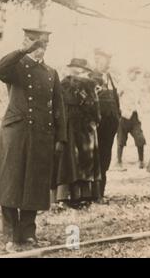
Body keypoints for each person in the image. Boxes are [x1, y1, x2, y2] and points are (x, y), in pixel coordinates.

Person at [0, 28, 67, 252]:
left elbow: (59, 107)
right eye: (36, 45)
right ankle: (9, 233)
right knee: (11, 182)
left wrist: (61, 138)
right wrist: (21, 51)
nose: (40, 49)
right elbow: (0, 68)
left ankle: (28, 233)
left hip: (41, 135)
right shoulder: (16, 66)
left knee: (33, 185)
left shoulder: (50, 72)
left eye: (44, 45)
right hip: (16, 132)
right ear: (26, 43)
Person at [53, 58, 102, 208]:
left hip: (72, 126)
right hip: (83, 127)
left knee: (71, 162)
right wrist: (95, 121)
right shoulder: (89, 86)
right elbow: (95, 110)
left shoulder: (64, 84)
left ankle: (67, 196)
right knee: (83, 161)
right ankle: (82, 196)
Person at [90, 48, 120, 200]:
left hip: (110, 126)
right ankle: (95, 194)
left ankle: (100, 192)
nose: (107, 63)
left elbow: (115, 99)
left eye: (108, 60)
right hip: (97, 125)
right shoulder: (91, 77)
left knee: (105, 159)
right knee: (96, 159)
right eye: (104, 60)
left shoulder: (109, 77)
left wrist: (118, 117)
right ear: (96, 59)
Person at [116, 66, 147, 169]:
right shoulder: (122, 83)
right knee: (121, 140)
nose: (136, 75)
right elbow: (116, 96)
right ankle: (119, 162)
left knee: (140, 138)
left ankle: (141, 161)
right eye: (134, 73)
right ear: (129, 73)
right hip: (124, 115)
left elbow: (140, 99)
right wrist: (120, 110)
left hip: (135, 115)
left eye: (137, 74)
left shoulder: (138, 85)